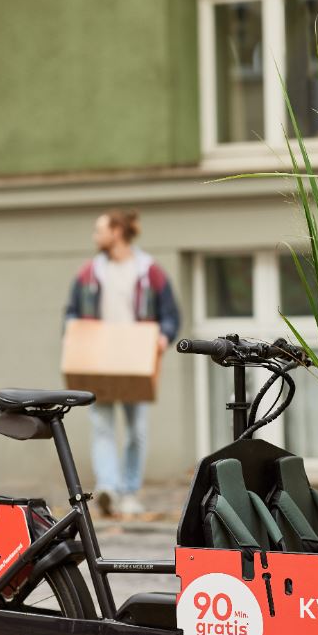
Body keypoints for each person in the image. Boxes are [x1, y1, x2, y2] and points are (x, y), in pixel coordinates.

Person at [64, 208, 180, 516]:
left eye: (98, 230)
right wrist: (72, 334)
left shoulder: (149, 271)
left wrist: (163, 337)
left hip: (135, 361)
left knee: (135, 431)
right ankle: (108, 488)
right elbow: (71, 312)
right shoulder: (89, 273)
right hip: (98, 360)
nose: (95, 236)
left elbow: (170, 315)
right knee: (101, 427)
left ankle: (129, 492)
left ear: (116, 232)